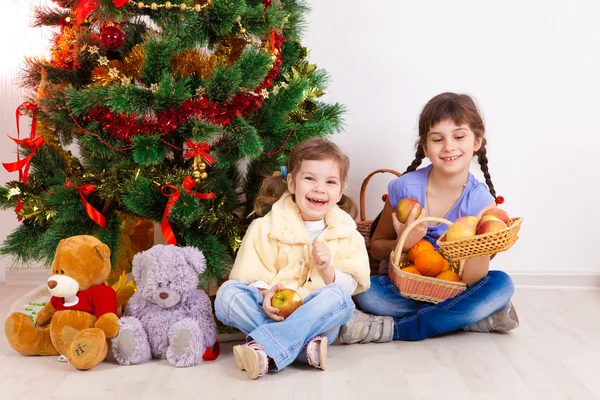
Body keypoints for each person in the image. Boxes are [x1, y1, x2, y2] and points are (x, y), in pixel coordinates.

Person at [339, 92, 518, 344]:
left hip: (453, 289)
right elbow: (376, 248)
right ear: (425, 147)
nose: (449, 147)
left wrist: (479, 247)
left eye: (459, 136)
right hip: (404, 289)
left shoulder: (481, 203)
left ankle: (396, 329)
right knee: (369, 294)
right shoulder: (404, 188)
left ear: (477, 141)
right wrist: (404, 240)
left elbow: (471, 281)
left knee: (502, 284)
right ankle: (468, 319)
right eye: (437, 139)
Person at [215, 138, 370, 379]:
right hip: (273, 312)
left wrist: (327, 268)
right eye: (310, 178)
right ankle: (302, 349)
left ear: (340, 191)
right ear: (292, 183)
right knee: (226, 295)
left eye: (330, 182)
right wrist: (266, 295)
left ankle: (265, 348)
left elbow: (350, 286)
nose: (319, 188)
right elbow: (249, 274)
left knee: (340, 298)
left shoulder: (347, 234)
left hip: (317, 320)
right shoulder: (265, 227)